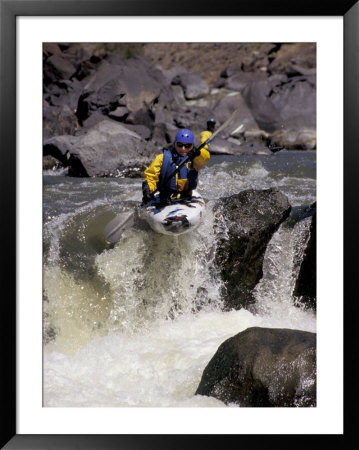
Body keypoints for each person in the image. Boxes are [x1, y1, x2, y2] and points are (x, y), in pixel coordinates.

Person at [142, 128, 210, 204]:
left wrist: (199, 153)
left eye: (187, 146)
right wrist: (147, 191)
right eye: (180, 145)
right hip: (165, 198)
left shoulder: (195, 159)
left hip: (186, 197)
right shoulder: (162, 158)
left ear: (192, 146)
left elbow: (205, 159)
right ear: (175, 144)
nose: (183, 149)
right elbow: (150, 176)